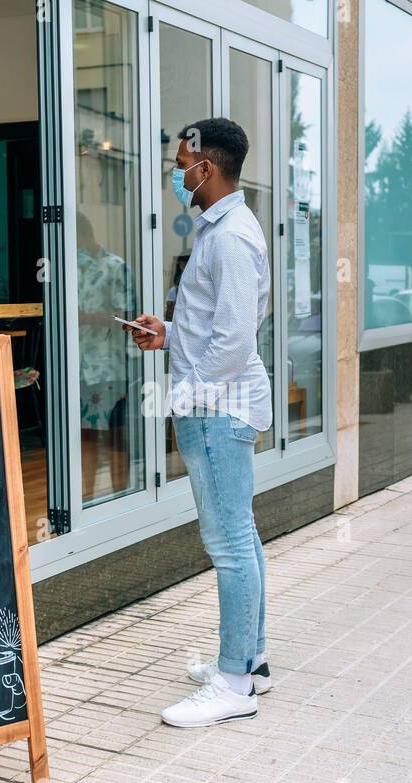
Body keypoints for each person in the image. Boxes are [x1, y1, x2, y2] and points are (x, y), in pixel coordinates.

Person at [127, 117, 272, 727]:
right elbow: (215, 325)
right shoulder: (222, 229)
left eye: (181, 162)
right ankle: (251, 660)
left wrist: (182, 396)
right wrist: (169, 334)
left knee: (230, 543)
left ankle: (234, 683)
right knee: (243, 534)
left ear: (206, 169)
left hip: (218, 410)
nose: (176, 172)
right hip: (220, 402)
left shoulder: (230, 235)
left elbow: (234, 342)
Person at [76, 214, 138, 502]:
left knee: (115, 435)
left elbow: (126, 316)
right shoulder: (69, 269)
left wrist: (86, 318)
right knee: (85, 435)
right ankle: (86, 498)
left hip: (109, 366)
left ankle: (121, 496)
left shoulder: (115, 267)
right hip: (77, 366)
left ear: (84, 236)